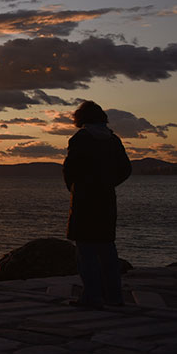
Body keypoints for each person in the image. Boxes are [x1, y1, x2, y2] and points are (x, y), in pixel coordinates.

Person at [63, 100, 132, 309]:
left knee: (86, 251)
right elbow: (125, 169)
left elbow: (70, 169)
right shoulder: (113, 140)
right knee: (107, 250)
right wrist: (108, 183)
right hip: (106, 199)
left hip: (85, 199)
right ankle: (114, 297)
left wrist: (75, 187)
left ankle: (92, 297)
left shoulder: (80, 138)